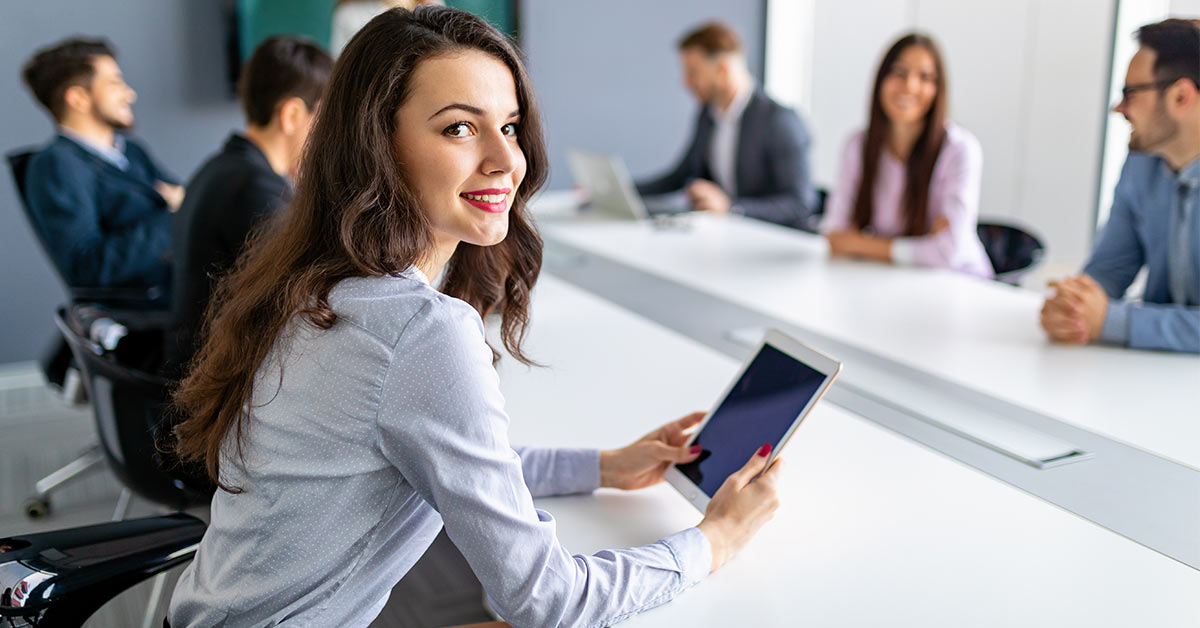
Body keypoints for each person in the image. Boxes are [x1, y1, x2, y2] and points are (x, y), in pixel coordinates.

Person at [166, 7, 783, 628]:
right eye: (460, 128)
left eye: (510, 127)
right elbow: (549, 602)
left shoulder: (315, 281)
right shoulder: (416, 330)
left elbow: (454, 457)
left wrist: (604, 466)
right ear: (375, 143)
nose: (505, 160)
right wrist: (715, 540)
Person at [166, 36, 332, 376]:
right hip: (219, 383)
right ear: (292, 114)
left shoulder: (223, 167)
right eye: (325, 119)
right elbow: (299, 297)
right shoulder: (256, 191)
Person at [1040, 19, 1200, 354]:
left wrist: (1112, 321)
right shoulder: (1142, 163)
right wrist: (1074, 308)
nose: (1119, 108)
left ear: (1181, 96)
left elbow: (1109, 317)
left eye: (1130, 93)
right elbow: (1110, 268)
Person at [820, 33, 993, 278]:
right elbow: (836, 236)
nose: (910, 86)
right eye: (899, 73)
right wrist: (921, 247)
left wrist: (861, 243)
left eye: (925, 77)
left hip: (959, 283)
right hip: (891, 278)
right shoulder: (858, 145)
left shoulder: (960, 149)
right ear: (881, 80)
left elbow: (948, 252)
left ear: (938, 89)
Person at [20, 37, 183, 291]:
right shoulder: (57, 165)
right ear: (78, 99)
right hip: (151, 310)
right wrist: (176, 217)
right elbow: (89, 267)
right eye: (115, 83)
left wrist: (181, 209)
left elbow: (185, 198)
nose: (130, 94)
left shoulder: (131, 150)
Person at [636, 21, 818, 230]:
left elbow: (800, 204)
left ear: (722, 69)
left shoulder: (779, 121)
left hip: (771, 241)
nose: (685, 82)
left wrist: (732, 208)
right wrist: (621, 190)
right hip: (725, 236)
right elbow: (680, 175)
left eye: (693, 72)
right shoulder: (708, 115)